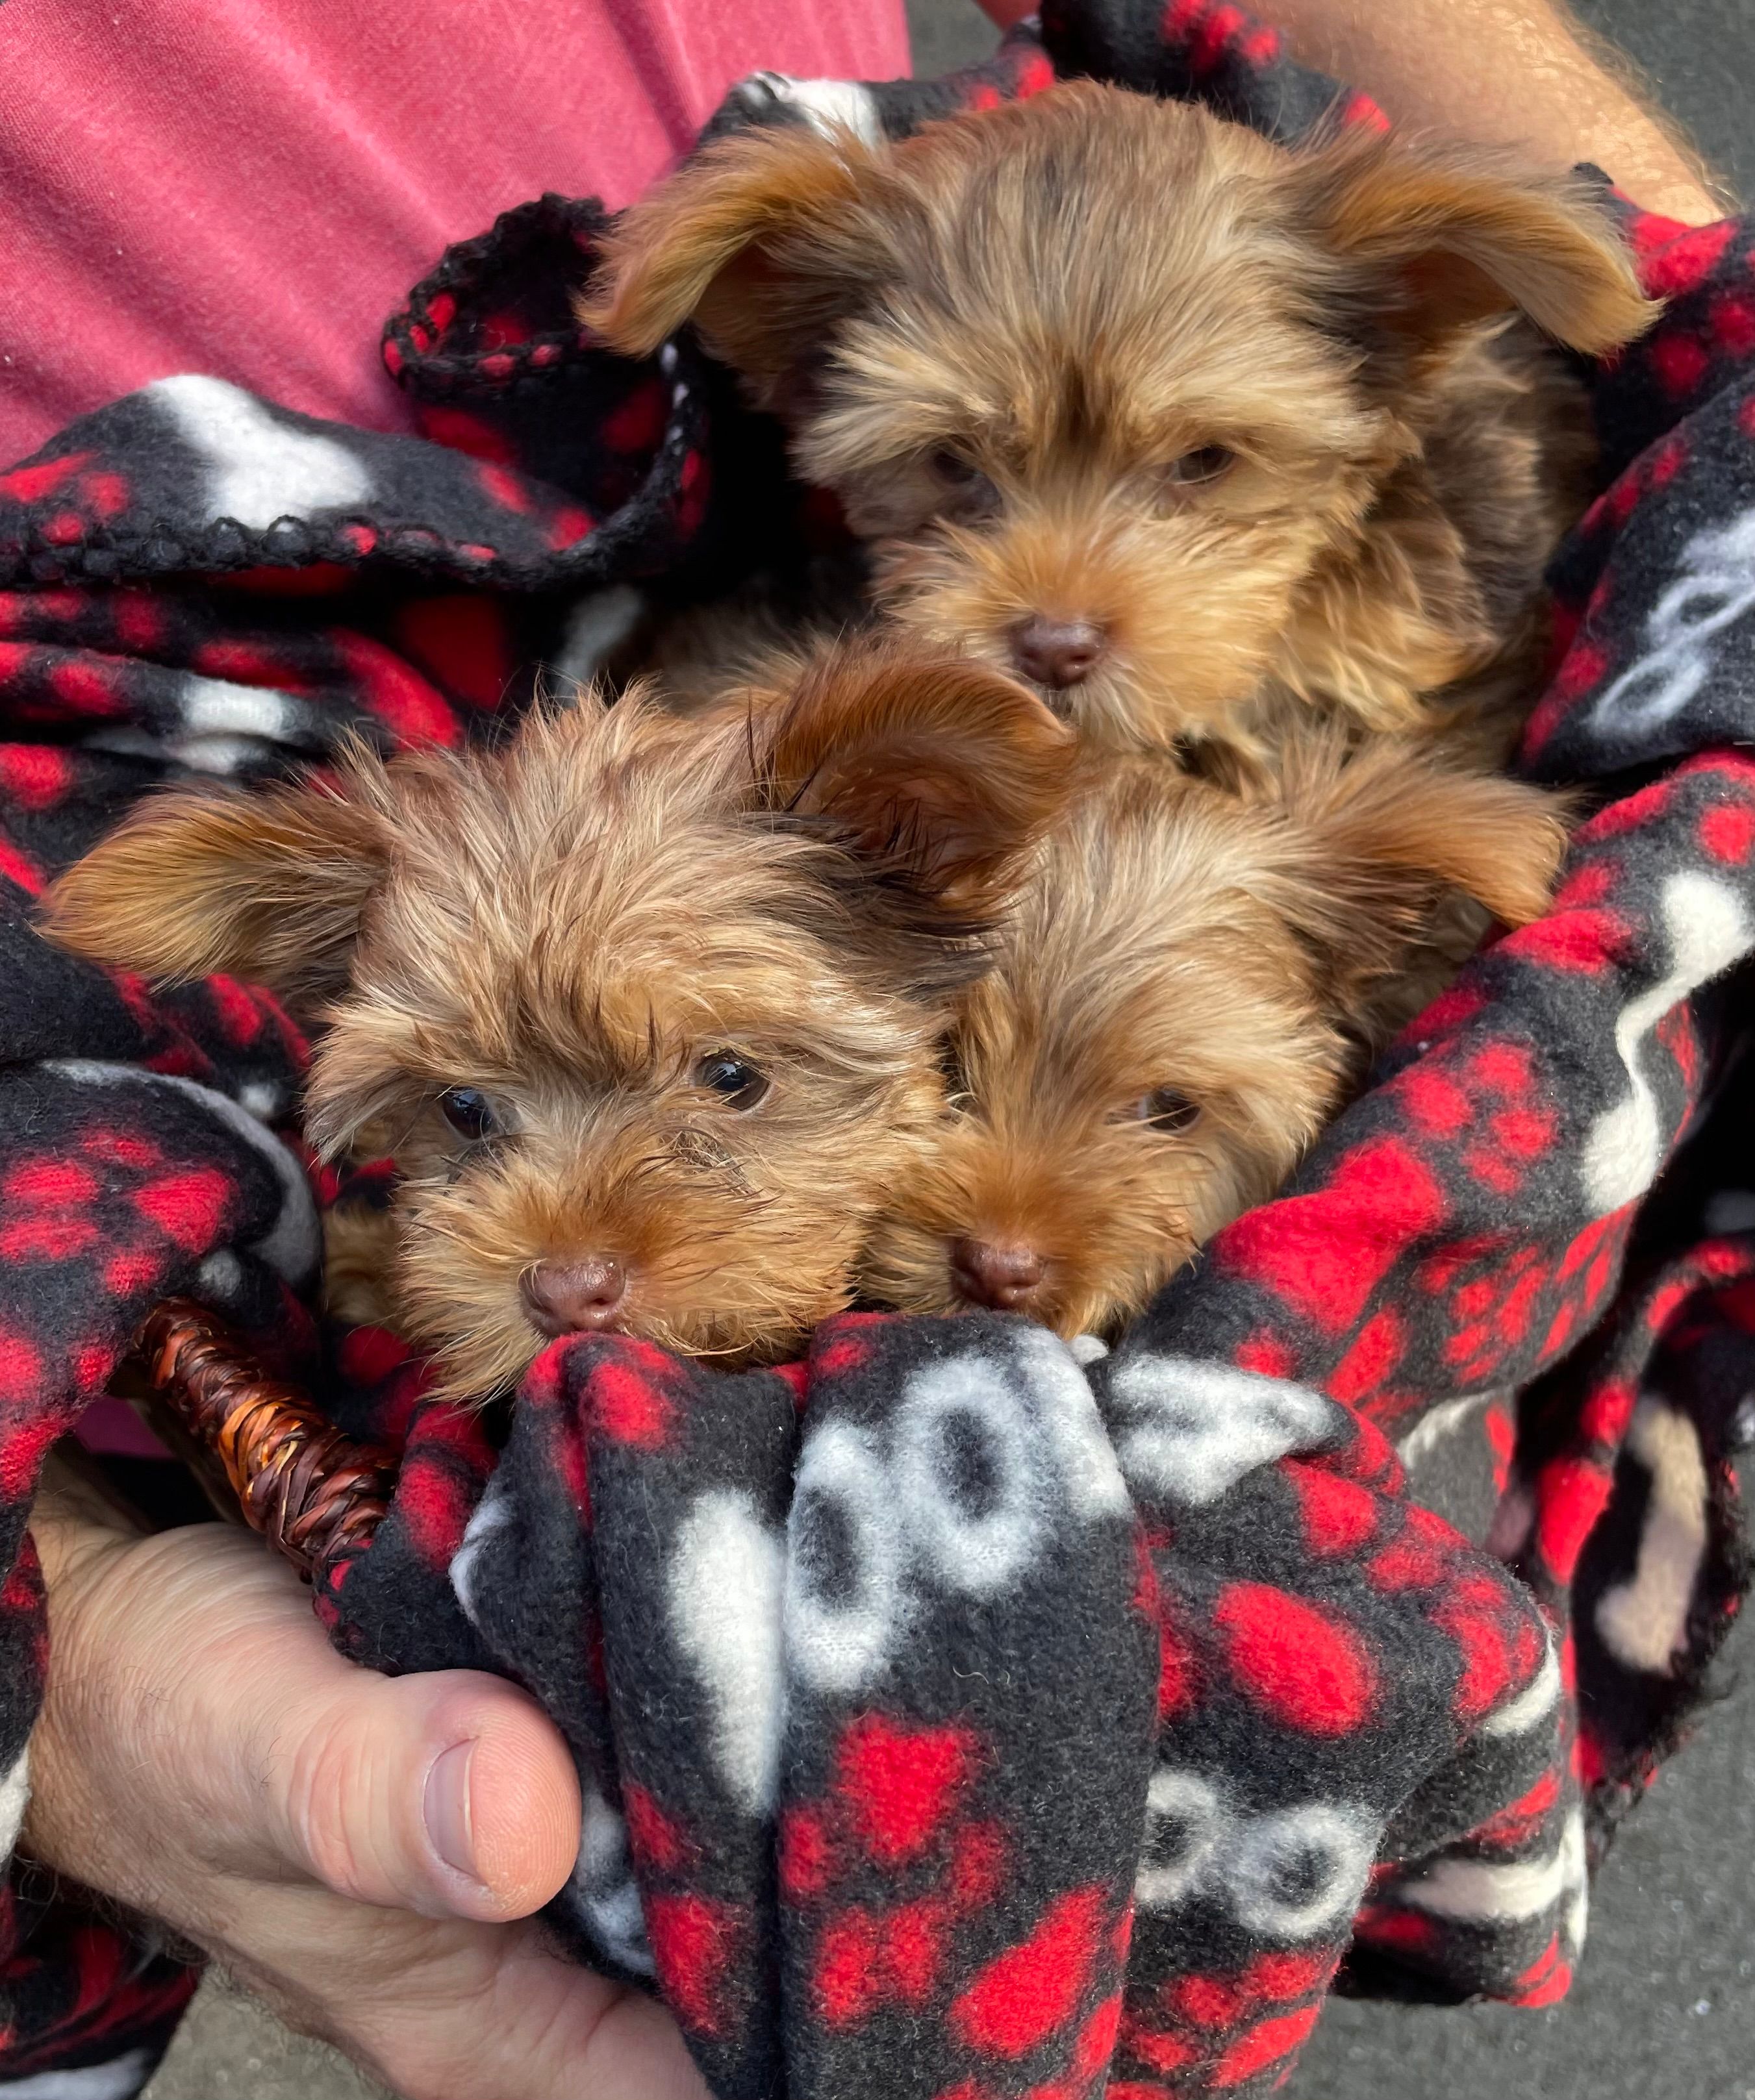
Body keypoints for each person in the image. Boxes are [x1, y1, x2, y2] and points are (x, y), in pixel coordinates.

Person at [7, 5, 1727, 2097]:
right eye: (961, 475)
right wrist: (59, 1648)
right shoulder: (792, 696)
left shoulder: (1342, 699)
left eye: (1197, 469)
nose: (1062, 609)